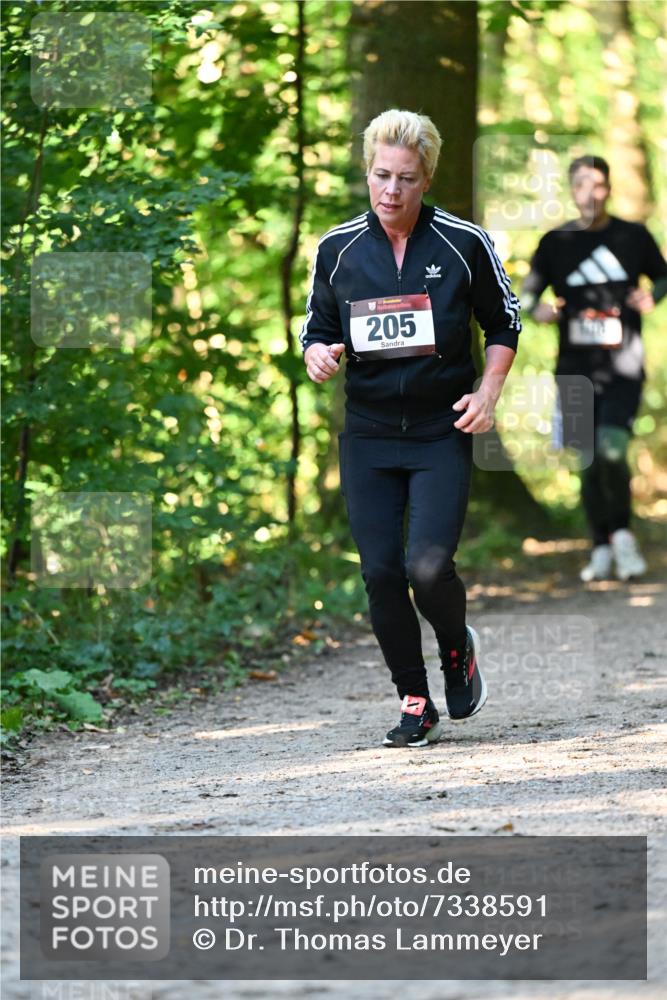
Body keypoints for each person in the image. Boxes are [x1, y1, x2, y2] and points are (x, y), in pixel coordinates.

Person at [299, 109, 521, 747]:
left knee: (427, 567)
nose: (391, 191)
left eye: (405, 179)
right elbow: (319, 327)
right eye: (380, 176)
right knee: (379, 572)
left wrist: (489, 390)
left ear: (427, 180)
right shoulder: (337, 249)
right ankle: (414, 697)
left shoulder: (462, 243)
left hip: (438, 429)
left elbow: (503, 321)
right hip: (367, 432)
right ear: (366, 174)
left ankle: (456, 645)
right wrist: (316, 352)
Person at [523, 156, 667, 582]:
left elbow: (663, 276)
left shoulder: (633, 236)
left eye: (599, 184)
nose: (591, 192)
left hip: (624, 363)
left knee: (610, 448)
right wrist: (540, 310)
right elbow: (529, 296)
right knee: (587, 458)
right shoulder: (555, 242)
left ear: (608, 189)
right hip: (573, 368)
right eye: (583, 183)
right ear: (572, 189)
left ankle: (623, 535)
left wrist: (651, 296)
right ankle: (600, 545)